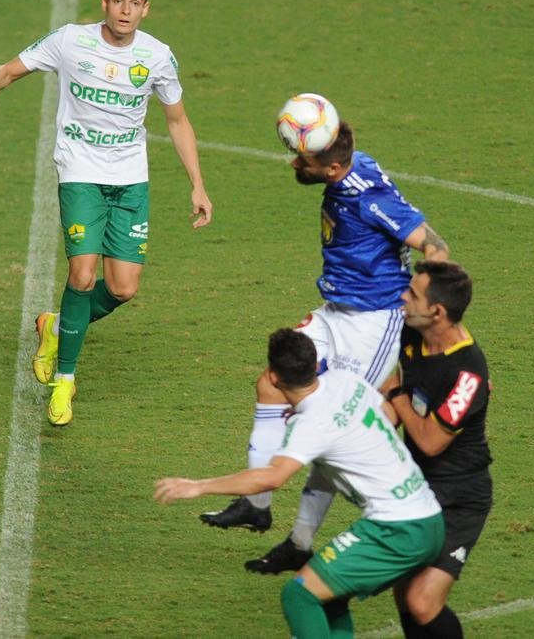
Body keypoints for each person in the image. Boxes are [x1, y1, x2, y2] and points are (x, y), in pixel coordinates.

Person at [198, 119, 449, 577]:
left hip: (371, 325)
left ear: (332, 168)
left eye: (304, 159)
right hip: (336, 310)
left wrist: (418, 317)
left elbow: (437, 248)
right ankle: (257, 505)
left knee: (330, 427)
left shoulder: (371, 199)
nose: (295, 162)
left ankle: (302, 542)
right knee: (271, 384)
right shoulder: (353, 163)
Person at [0, 0, 212, 426]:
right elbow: (11, 71)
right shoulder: (70, 41)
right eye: (117, 1)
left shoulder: (156, 57)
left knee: (123, 288)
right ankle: (65, 381)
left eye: (134, 3)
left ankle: (54, 326)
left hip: (131, 179)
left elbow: (177, 121)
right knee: (81, 275)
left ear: (145, 10)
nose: (124, 10)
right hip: (79, 172)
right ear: (104, 3)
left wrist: (197, 183)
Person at [156, 329, 445, 638]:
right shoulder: (347, 382)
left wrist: (199, 486)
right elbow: (388, 417)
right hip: (428, 516)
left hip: (396, 529)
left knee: (299, 595)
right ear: (314, 363)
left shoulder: (311, 424)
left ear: (273, 377)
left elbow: (272, 476)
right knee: (328, 596)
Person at [381, 260, 493, 639]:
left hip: (459, 495)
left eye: (413, 293)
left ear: (437, 311)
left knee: (423, 601)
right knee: (405, 594)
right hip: (416, 488)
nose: (403, 296)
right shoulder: (412, 333)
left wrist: (396, 395)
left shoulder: (468, 373)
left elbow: (430, 441)